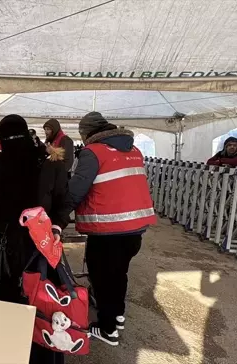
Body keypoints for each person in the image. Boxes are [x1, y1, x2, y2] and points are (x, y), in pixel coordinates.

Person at [0, 114, 69, 364]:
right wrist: (56, 227)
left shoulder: (6, 162)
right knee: (41, 302)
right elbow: (64, 200)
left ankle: (14, 351)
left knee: (13, 302)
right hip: (36, 244)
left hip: (14, 244)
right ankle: (40, 351)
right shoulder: (47, 160)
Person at [60, 111, 157, 346]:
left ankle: (107, 328)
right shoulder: (134, 151)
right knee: (119, 274)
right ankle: (118, 314)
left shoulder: (93, 152)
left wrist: (58, 214)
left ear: (88, 132)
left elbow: (77, 189)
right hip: (135, 229)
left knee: (102, 277)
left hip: (107, 229)